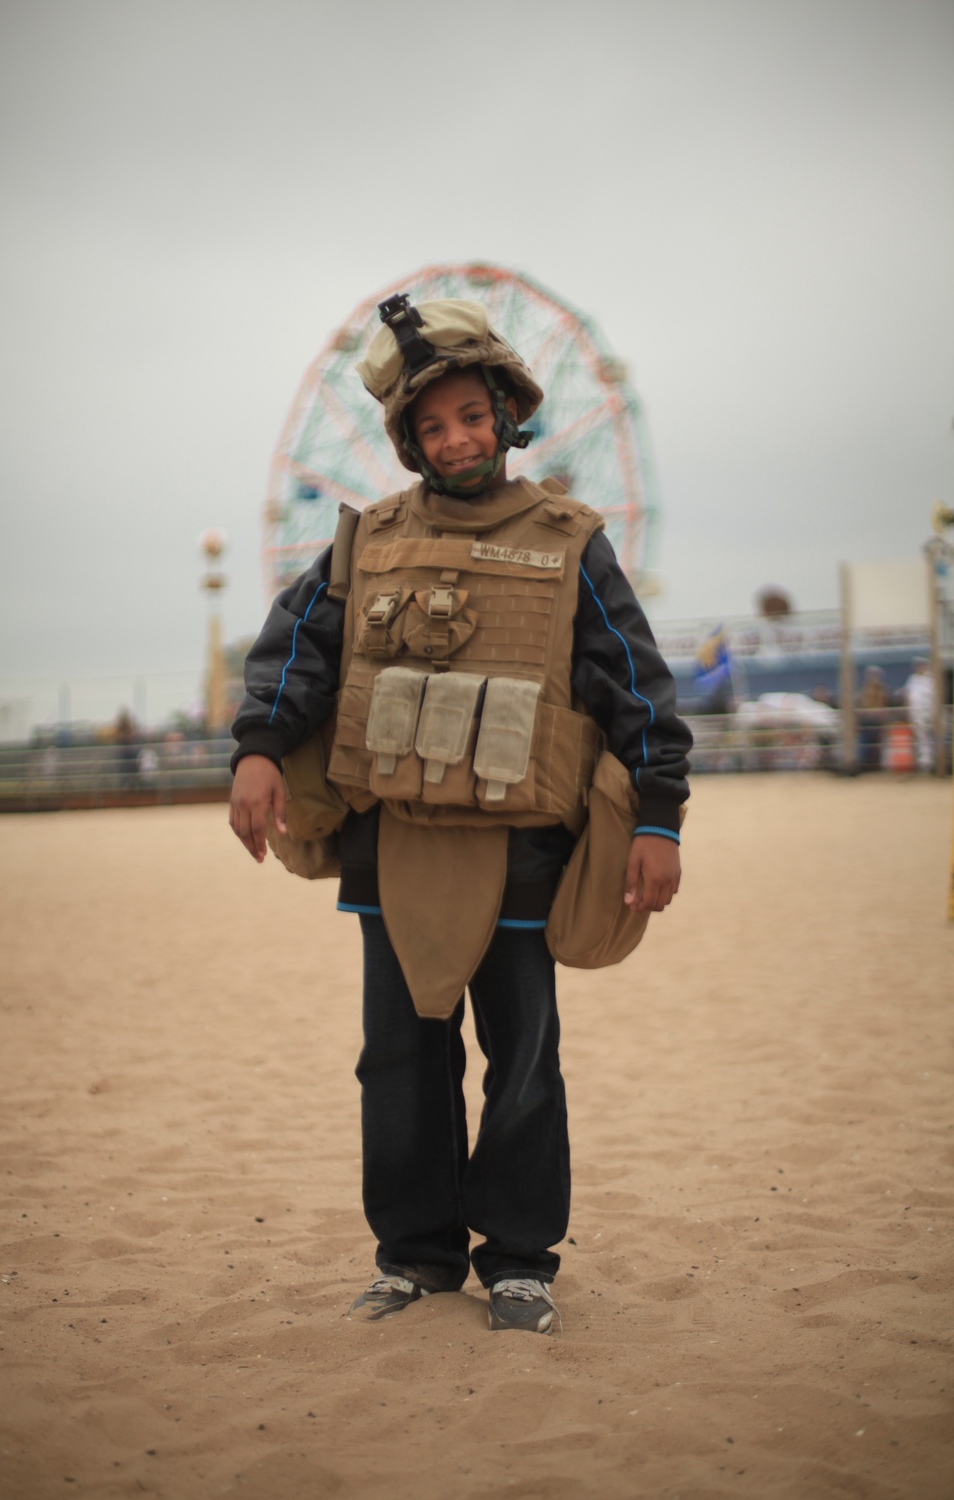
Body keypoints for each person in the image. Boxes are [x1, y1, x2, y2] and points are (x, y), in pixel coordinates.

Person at [229, 295, 691, 1335]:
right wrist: (257, 751)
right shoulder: (366, 544)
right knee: (397, 1061)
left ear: (508, 414)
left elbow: (638, 691)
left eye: (472, 416)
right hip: (393, 851)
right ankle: (416, 1259)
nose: (456, 440)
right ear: (406, 441)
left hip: (526, 852)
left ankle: (520, 1261)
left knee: (522, 1057)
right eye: (432, 426)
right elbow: (293, 659)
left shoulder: (572, 544)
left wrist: (657, 820)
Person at [902, 659, 935, 772]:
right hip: (915, 712)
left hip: (928, 712)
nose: (919, 668)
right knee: (920, 738)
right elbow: (907, 694)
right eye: (917, 666)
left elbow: (933, 696)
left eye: (921, 665)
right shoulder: (913, 679)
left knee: (929, 737)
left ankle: (931, 763)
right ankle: (923, 763)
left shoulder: (930, 679)